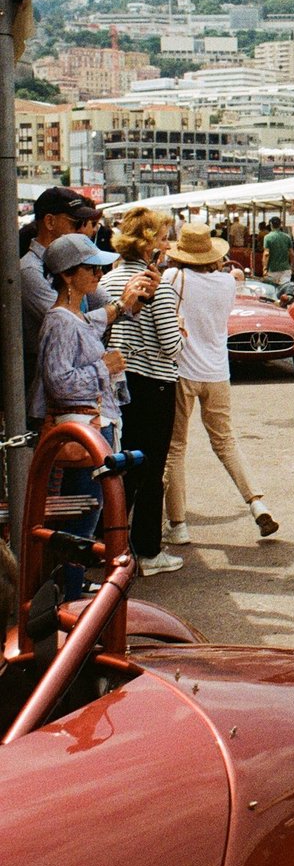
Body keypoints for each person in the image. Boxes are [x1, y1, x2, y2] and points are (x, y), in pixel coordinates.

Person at [163, 224, 279, 542]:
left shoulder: (174, 278)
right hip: (217, 371)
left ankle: (178, 524)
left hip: (184, 369)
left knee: (175, 449)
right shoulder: (227, 282)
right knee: (226, 442)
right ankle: (256, 503)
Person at [30, 233, 128, 600]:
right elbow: (59, 382)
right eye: (92, 268)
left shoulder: (73, 317)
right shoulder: (61, 321)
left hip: (89, 431)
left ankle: (67, 597)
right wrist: (104, 367)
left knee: (84, 520)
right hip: (80, 436)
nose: (99, 274)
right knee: (80, 523)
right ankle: (67, 601)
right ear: (68, 275)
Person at [104, 207, 184, 576]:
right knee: (151, 468)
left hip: (120, 383)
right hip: (155, 383)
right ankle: (148, 551)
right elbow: (171, 346)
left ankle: (116, 542)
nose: (167, 245)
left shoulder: (108, 280)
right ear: (149, 244)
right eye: (163, 238)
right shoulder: (158, 287)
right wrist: (181, 332)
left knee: (124, 464)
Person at [20, 186, 136, 387]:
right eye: (76, 223)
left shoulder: (72, 259)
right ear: (50, 222)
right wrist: (119, 307)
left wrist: (135, 299)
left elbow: (112, 305)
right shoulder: (30, 270)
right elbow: (68, 324)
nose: (84, 230)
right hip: (48, 383)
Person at [262, 216, 294, 287]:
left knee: (273, 290)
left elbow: (266, 254)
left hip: (272, 269)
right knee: (285, 290)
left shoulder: (267, 237)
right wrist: (292, 266)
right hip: (286, 269)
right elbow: (292, 254)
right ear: (280, 225)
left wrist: (265, 268)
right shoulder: (287, 237)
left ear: (270, 224)